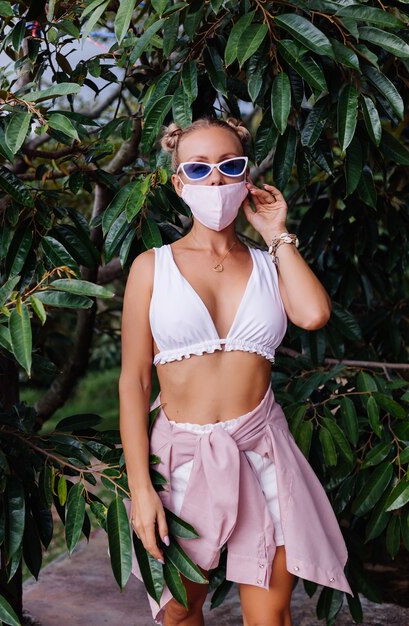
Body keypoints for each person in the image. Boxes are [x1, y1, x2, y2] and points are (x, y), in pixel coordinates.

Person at [119, 117, 352, 626]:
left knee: (270, 618)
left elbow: (313, 314)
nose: (217, 181)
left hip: (263, 453)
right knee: (180, 612)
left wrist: (277, 233)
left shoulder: (270, 263)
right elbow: (134, 382)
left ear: (247, 177)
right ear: (179, 183)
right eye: (199, 169)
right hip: (180, 461)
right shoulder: (150, 267)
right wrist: (140, 487)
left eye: (231, 166)